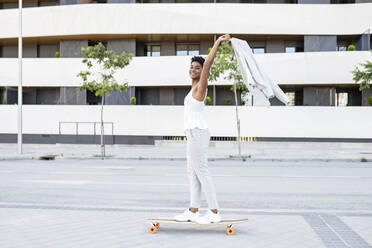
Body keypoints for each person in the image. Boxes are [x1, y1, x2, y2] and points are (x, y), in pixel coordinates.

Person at [174, 34, 231, 224]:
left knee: (202, 172)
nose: (194, 69)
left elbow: (208, 64)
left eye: (197, 68)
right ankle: (193, 211)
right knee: (192, 173)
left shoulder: (201, 87)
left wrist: (218, 42)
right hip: (192, 134)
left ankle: (214, 212)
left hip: (198, 132)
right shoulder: (192, 89)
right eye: (191, 67)